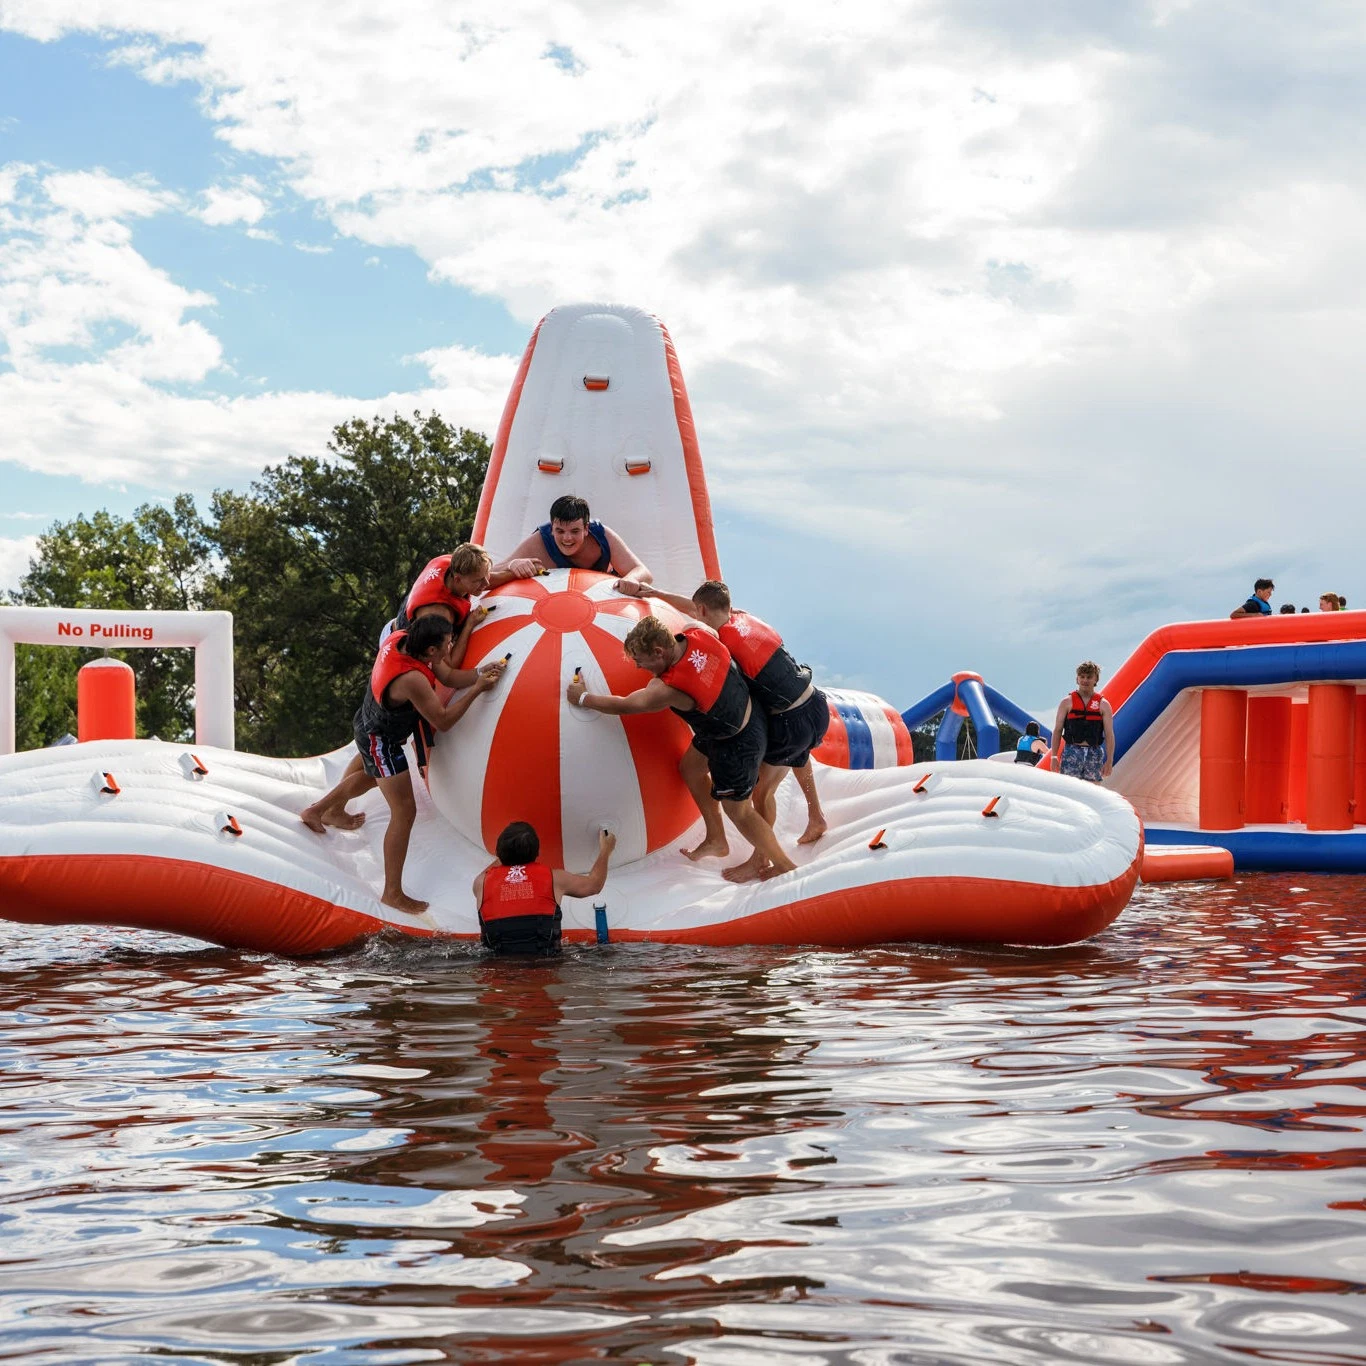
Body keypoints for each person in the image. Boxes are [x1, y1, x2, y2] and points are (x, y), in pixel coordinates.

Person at [617, 577, 828, 876]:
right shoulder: (742, 616)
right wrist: (657, 593)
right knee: (798, 751)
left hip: (790, 719)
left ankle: (764, 860)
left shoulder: (720, 640)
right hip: (814, 704)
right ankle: (815, 815)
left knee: (762, 792)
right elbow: (697, 608)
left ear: (701, 609)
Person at [300, 615, 506, 914]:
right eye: (448, 642)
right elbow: (443, 721)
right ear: (432, 651)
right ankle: (392, 892)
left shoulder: (401, 639)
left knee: (373, 776)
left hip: (369, 722)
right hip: (381, 738)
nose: (452, 645)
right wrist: (478, 690)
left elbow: (448, 677)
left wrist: (478, 673)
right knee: (404, 809)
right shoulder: (412, 680)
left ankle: (319, 810)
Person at [565, 615, 796, 879]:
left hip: (737, 744)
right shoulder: (697, 633)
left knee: (739, 810)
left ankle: (783, 865)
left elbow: (627, 704)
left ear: (658, 652)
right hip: (740, 719)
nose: (640, 667)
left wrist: (583, 697)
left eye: (641, 660)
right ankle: (716, 838)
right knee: (691, 768)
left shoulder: (667, 689)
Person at [474, 822, 617, 955]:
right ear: (538, 853)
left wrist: (510, 850)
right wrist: (606, 850)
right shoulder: (555, 879)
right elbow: (594, 884)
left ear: (498, 852)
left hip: (496, 968)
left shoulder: (481, 883)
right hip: (545, 966)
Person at [491, 495, 652, 586]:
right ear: (552, 529)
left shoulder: (603, 537)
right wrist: (512, 565)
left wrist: (630, 579)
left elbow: (644, 573)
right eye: (560, 531)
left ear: (586, 529)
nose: (567, 538)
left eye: (575, 531)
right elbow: (485, 577)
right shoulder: (539, 542)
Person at [383, 544, 495, 674]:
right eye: (479, 581)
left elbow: (482, 579)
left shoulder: (453, 563)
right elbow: (451, 663)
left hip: (396, 625)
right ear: (458, 579)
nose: (486, 583)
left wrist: (513, 570)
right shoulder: (439, 614)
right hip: (396, 655)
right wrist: (469, 625)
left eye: (486, 576)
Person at [1049, 661, 1115, 783]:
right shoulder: (1066, 702)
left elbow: (1109, 734)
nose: (1085, 680)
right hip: (1071, 752)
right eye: (1082, 676)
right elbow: (1058, 730)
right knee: (1068, 790)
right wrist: (1054, 756)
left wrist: (1109, 760)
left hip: (1094, 753)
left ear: (1096, 679)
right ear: (1077, 678)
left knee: (1093, 791)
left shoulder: (1103, 705)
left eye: (1089, 677)